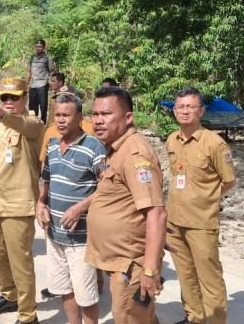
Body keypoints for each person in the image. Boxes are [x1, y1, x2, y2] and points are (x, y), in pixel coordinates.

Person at [86, 86, 166, 324]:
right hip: (119, 262)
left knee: (131, 318)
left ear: (128, 117)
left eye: (106, 114)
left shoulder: (135, 154)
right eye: (95, 114)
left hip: (131, 266)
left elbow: (156, 213)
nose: (98, 121)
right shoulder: (116, 149)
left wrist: (150, 272)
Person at [165, 87, 236, 324]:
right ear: (175, 111)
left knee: (210, 279)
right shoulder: (171, 141)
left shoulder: (214, 144)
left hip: (202, 223)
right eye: (181, 107)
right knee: (186, 275)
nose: (185, 111)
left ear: (201, 111)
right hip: (175, 221)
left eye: (191, 107)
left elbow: (228, 181)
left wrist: (207, 199)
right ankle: (194, 317)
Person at [0, 77, 44, 324]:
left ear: (25, 99)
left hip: (19, 205)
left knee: (21, 262)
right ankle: (9, 296)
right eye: (4, 98)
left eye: (14, 97)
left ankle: (28, 315)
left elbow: (23, 125)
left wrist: (1, 115)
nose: (8, 102)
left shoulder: (32, 124)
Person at [37, 93, 104, 324]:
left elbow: (107, 189)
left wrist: (80, 208)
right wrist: (40, 203)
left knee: (86, 294)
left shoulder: (94, 147)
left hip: (81, 239)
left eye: (66, 115)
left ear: (80, 117)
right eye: (57, 115)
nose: (61, 120)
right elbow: (45, 180)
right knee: (64, 288)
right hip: (55, 234)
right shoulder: (53, 146)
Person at [26, 39, 55, 124]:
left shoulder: (47, 58)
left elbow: (51, 72)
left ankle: (43, 125)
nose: (38, 48)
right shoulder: (32, 58)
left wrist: (53, 84)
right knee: (32, 107)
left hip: (43, 85)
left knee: (43, 107)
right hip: (33, 85)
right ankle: (33, 124)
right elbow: (29, 72)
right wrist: (26, 83)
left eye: (40, 46)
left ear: (44, 47)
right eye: (37, 46)